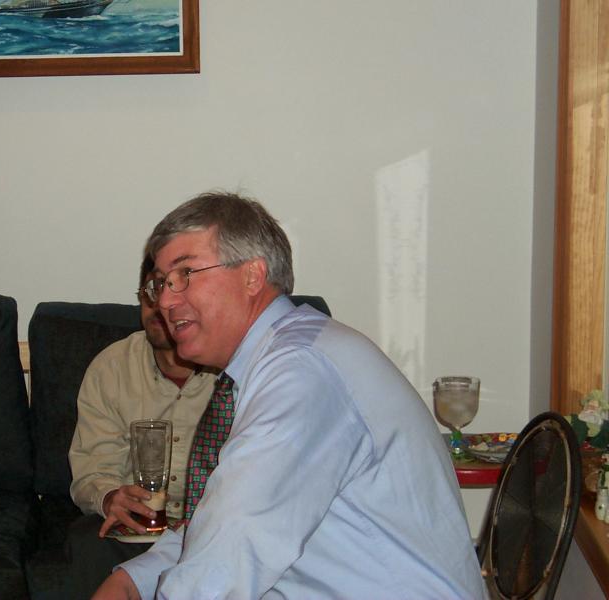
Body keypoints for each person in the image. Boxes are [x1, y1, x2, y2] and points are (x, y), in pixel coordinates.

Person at [93, 191, 485, 599]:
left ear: (252, 276)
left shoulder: (299, 372)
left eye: (185, 273)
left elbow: (232, 548)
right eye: (160, 283)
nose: (164, 301)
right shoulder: (283, 357)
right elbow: (223, 515)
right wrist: (135, 579)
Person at [66, 255, 216, 599]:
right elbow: (92, 469)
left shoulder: (233, 367)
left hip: (211, 526)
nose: (160, 303)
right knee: (87, 539)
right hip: (137, 527)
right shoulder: (111, 367)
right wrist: (110, 497)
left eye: (174, 289)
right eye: (152, 289)